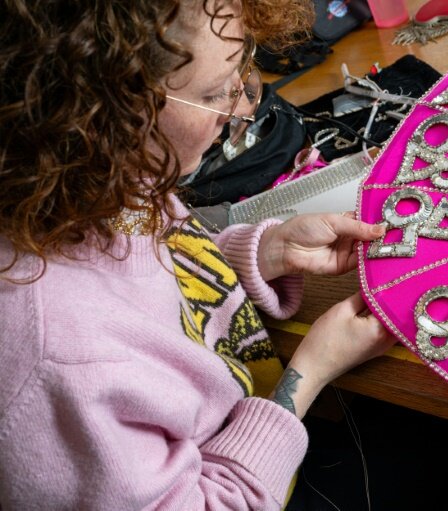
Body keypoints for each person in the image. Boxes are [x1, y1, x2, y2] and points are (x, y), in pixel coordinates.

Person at [0, 0, 396, 509]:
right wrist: (310, 373)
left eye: (242, 77)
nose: (246, 107)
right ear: (108, 109)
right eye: (216, 92)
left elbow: (152, 291)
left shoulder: (102, 174)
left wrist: (266, 252)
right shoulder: (54, 357)